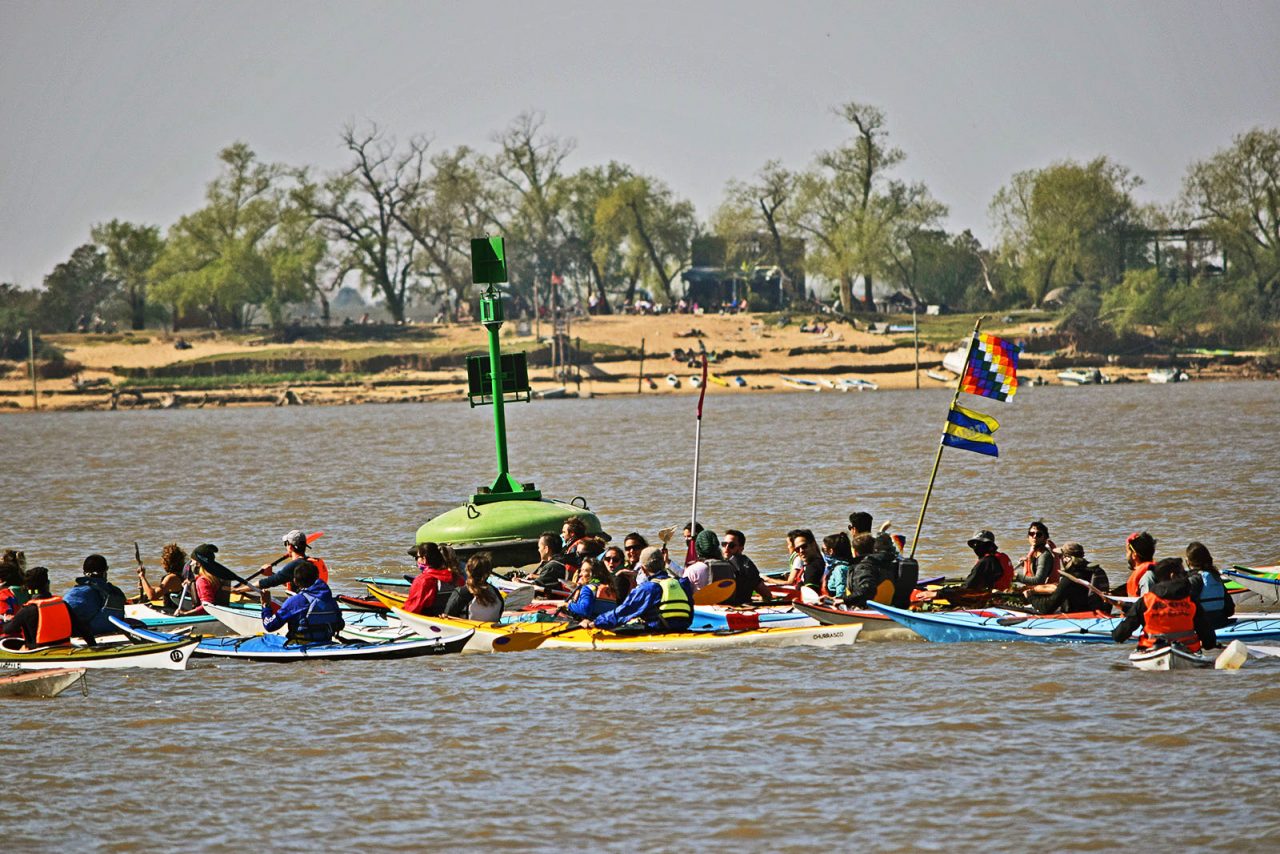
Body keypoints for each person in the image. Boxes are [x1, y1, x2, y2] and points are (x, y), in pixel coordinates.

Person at [1112, 557, 1216, 652]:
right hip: (1187, 651)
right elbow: (1209, 640)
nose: (1186, 576)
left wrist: (1115, 634)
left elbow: (1119, 635)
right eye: (1183, 573)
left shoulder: (1145, 601)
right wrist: (1207, 644)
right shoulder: (1191, 601)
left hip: (1152, 650)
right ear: (1173, 576)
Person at [580, 547, 693, 632]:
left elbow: (623, 612)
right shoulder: (682, 583)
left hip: (659, 631)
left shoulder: (648, 588)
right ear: (663, 564)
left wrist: (596, 622)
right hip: (683, 629)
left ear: (643, 569)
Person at [260, 560, 344, 643]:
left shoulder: (294, 601)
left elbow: (270, 626)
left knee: (263, 639)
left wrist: (266, 605)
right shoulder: (330, 600)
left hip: (300, 646)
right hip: (325, 642)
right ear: (317, 577)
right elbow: (340, 625)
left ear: (295, 581)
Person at [1026, 542, 1111, 615]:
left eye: (1060, 556)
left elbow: (1047, 608)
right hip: (1098, 612)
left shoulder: (1071, 578)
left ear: (1066, 558)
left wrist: (1031, 597)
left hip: (1080, 617)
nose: (1060, 559)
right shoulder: (1093, 570)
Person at [0, 567, 74, 647]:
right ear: (47, 584)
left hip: (38, 650)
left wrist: (7, 620)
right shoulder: (63, 604)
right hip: (65, 646)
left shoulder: (27, 610)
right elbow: (81, 629)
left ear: (28, 588)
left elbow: (7, 630)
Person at [63, 554, 127, 640]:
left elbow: (65, 615)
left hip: (88, 634)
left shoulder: (76, 593)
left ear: (84, 572)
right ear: (105, 571)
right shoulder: (116, 591)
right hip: (112, 630)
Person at [403, 542, 462, 616]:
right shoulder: (456, 576)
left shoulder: (422, 580)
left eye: (417, 557)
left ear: (424, 559)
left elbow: (412, 609)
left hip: (429, 618)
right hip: (451, 617)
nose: (417, 560)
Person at [1185, 541, 1235, 629]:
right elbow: (1230, 610)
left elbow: (1187, 610)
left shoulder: (1193, 579)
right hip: (1222, 622)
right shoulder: (1216, 577)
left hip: (1204, 627)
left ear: (1188, 562)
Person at [443, 552, 505, 622]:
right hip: (492, 631)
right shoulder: (496, 593)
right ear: (488, 573)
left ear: (467, 570)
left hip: (469, 631)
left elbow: (446, 619)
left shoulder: (461, 593)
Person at [256, 530, 327, 590]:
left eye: (285, 544)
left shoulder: (295, 565)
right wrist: (271, 574)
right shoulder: (313, 562)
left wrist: (245, 588)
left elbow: (266, 583)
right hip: (319, 598)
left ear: (290, 547)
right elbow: (291, 584)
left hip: (303, 603)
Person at [842, 533, 897, 608]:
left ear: (855, 552)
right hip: (886, 606)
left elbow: (866, 590)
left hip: (865, 609)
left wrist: (844, 600)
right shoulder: (885, 563)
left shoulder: (863, 567)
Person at [721, 529, 770, 606]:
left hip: (727, 608)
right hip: (744, 605)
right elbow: (767, 595)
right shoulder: (748, 564)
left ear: (741, 548)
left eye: (731, 545)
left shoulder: (719, 565)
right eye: (724, 544)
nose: (726, 548)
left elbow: (766, 594)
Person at [563, 557, 618, 621]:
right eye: (581, 570)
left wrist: (567, 605)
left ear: (593, 574)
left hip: (590, 627)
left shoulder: (587, 588)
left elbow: (585, 610)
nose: (580, 574)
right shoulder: (610, 589)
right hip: (608, 627)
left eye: (584, 571)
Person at [134, 543, 187, 608]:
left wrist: (142, 577)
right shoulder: (182, 573)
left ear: (166, 562)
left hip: (172, 613)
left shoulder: (171, 578)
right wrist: (144, 585)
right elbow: (166, 589)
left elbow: (152, 596)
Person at [1013, 521, 1061, 587]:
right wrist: (1027, 564)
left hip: (1044, 594)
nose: (1034, 536)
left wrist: (1016, 576)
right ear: (1028, 536)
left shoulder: (1044, 556)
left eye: (1039, 534)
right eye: (1031, 533)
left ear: (1045, 538)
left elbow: (1038, 580)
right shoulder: (1036, 552)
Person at [1123, 531, 1158, 597]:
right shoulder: (1157, 571)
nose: (1126, 555)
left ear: (1134, 555)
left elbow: (1147, 605)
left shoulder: (1146, 578)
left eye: (1127, 552)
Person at [822, 533, 855, 599]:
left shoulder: (839, 569)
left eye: (824, 550)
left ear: (831, 551)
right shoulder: (850, 563)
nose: (823, 553)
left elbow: (840, 594)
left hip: (838, 603)